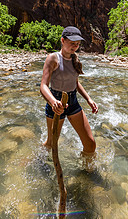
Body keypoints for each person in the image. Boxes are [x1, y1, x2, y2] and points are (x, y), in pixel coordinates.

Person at [40, 26, 98, 159]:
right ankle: (39, 161)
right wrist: (53, 101)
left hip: (73, 102)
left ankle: (86, 172)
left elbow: (75, 82)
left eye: (77, 44)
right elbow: (43, 86)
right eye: (72, 43)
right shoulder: (53, 58)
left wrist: (88, 99)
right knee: (51, 144)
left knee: (90, 144)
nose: (75, 46)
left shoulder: (75, 60)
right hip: (56, 103)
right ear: (62, 40)